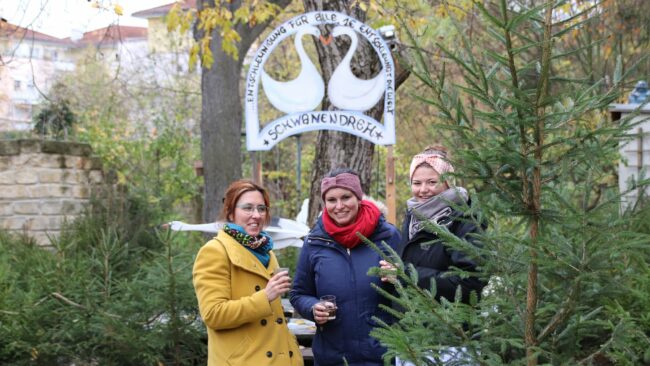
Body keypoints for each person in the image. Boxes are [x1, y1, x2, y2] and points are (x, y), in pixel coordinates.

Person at [290, 168, 401, 366]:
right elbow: (299, 294)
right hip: (332, 357)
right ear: (325, 204)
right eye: (331, 200)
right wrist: (313, 308)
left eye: (346, 197)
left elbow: (414, 289)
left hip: (382, 356)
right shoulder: (315, 241)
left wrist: (399, 278)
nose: (339, 206)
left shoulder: (387, 236)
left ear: (358, 197)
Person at [192, 179, 303, 366]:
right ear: (230, 212)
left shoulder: (266, 250)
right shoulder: (215, 251)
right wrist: (265, 296)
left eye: (261, 208)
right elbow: (214, 314)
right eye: (248, 208)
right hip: (244, 360)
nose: (256, 215)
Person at [381, 145, 486, 304]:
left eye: (432, 182)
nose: (423, 190)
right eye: (417, 183)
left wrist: (406, 274)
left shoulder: (465, 220)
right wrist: (391, 274)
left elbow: (470, 283)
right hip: (411, 323)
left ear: (448, 183)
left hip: (450, 324)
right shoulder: (413, 216)